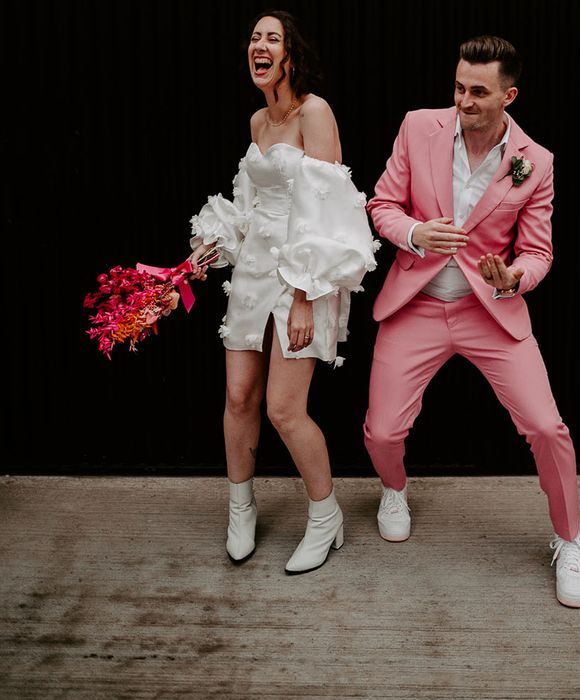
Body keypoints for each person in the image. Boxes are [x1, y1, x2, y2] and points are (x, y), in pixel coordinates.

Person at [363, 36, 580, 607]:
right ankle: (394, 491)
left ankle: (571, 539)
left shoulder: (534, 163)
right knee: (382, 432)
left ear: (508, 96)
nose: (463, 100)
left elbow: (538, 253)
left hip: (490, 313)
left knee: (547, 427)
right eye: (459, 87)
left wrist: (514, 278)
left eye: (478, 92)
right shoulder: (418, 127)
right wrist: (415, 233)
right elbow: (381, 205)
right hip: (416, 304)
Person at [188, 10, 378, 574]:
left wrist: (303, 296)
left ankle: (326, 517)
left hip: (303, 276)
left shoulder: (313, 112)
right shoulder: (257, 122)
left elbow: (330, 212)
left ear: (291, 54)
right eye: (253, 38)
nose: (259, 46)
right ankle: (240, 508)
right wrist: (211, 248)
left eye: (272, 38)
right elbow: (249, 206)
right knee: (239, 397)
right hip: (251, 272)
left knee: (284, 409)